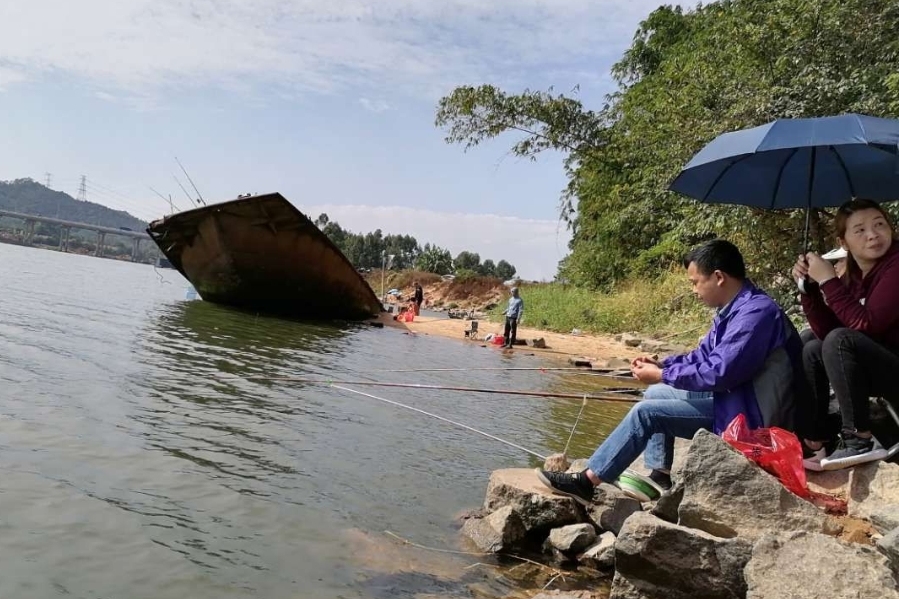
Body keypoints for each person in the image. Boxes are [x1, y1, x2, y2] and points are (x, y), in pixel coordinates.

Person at [536, 239, 803, 505]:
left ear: (719, 277)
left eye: (695, 282)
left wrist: (663, 374)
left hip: (750, 416)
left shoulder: (756, 313)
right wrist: (663, 365)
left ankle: (586, 482)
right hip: (733, 398)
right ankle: (660, 475)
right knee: (654, 392)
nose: (693, 290)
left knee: (646, 413)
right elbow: (702, 356)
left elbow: (719, 373)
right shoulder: (734, 310)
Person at [792, 199, 899, 470]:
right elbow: (828, 335)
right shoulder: (855, 276)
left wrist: (829, 280)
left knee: (841, 340)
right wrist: (810, 290)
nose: (873, 235)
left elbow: (866, 325)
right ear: (844, 242)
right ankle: (817, 439)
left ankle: (859, 439)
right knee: (810, 344)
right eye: (860, 230)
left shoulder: (896, 266)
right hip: (880, 366)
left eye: (879, 225)